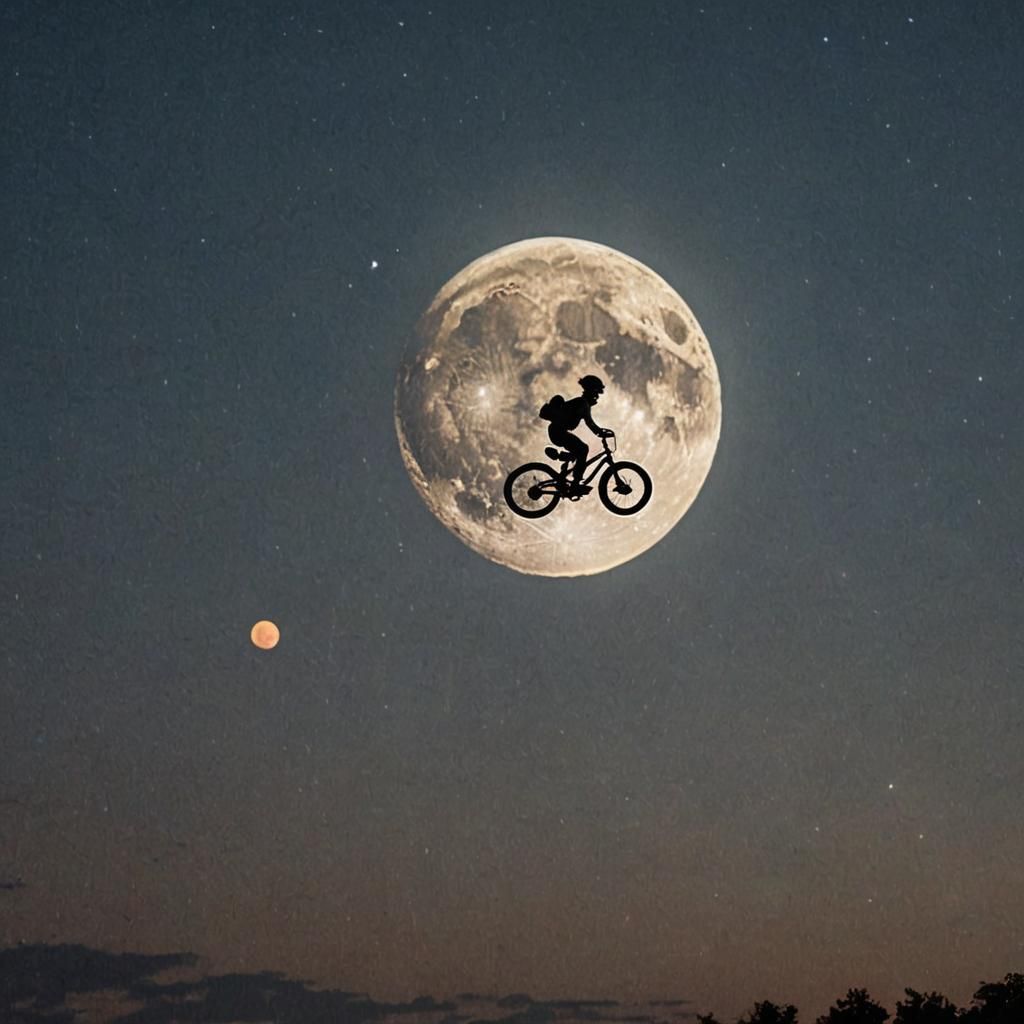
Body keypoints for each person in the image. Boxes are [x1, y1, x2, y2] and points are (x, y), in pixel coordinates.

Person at [546, 375, 613, 495]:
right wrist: (601, 432)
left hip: (557, 431)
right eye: (596, 393)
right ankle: (575, 484)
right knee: (583, 449)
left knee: (578, 451)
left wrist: (600, 431)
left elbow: (590, 423)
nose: (597, 397)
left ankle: (563, 459)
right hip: (558, 431)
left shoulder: (582, 403)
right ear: (591, 391)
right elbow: (590, 423)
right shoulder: (582, 403)